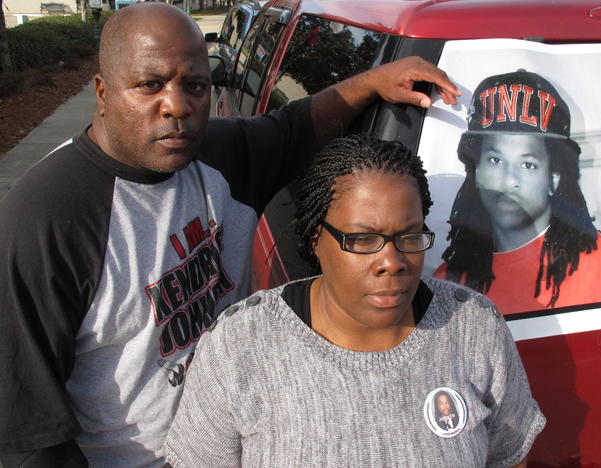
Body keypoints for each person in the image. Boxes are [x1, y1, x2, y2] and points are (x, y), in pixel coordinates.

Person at [0, 4, 461, 467]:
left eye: (195, 86)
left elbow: (296, 127)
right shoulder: (47, 218)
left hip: (244, 443)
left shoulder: (216, 157)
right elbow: (28, 428)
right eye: (149, 85)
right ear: (102, 92)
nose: (177, 106)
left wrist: (373, 82)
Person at [164, 133, 545, 467]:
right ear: (316, 237)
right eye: (363, 240)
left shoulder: (473, 326)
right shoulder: (240, 345)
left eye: (409, 237)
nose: (392, 263)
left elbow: (508, 457)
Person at [434, 69, 601, 315]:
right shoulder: (448, 280)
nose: (509, 181)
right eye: (495, 160)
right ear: (476, 169)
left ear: (554, 176)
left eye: (527, 164)